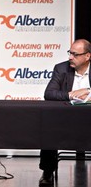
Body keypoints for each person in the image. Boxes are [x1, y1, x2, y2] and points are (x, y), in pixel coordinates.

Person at [39, 39, 91, 186]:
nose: (70, 57)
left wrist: (88, 91)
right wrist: (71, 94)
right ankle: (47, 172)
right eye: (70, 53)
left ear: (87, 56)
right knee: (49, 127)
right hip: (66, 119)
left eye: (75, 54)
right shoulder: (61, 69)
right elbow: (49, 93)